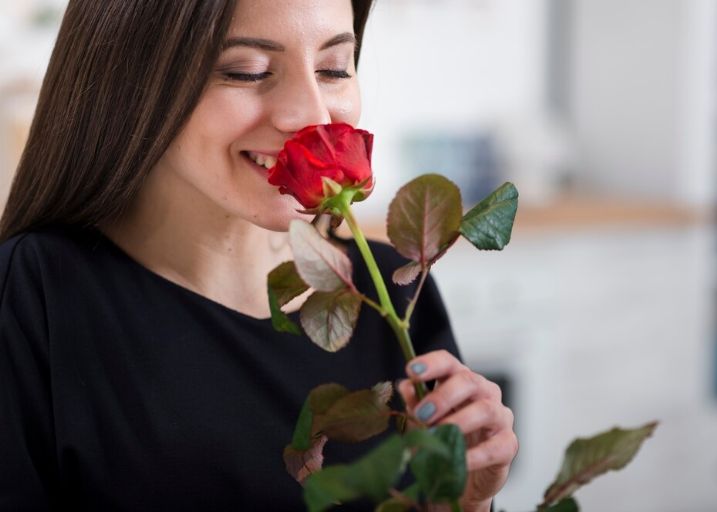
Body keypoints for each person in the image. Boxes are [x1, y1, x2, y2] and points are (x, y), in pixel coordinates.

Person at [0, 1, 518, 510]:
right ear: (131, 80)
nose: (312, 115)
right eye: (247, 71)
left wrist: (465, 502)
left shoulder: (391, 290)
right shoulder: (32, 297)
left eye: (333, 68)